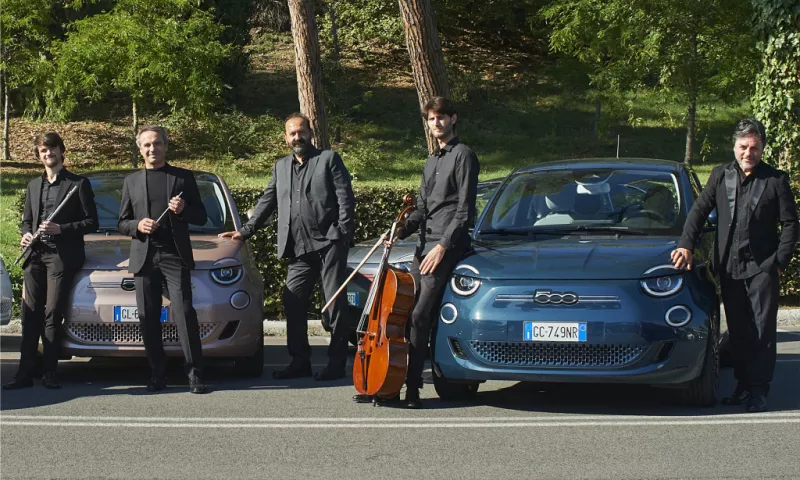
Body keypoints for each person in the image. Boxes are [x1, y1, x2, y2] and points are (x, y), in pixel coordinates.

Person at [355, 97, 479, 408]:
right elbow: (421, 209)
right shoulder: (431, 160)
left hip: (445, 246)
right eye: (431, 119)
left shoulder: (464, 156)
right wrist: (397, 232)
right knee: (403, 315)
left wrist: (442, 246)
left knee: (420, 316)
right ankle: (389, 385)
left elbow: (464, 212)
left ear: (453, 119)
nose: (436, 123)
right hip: (423, 246)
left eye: (441, 117)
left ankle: (413, 389)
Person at [671, 118, 798, 413]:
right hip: (729, 267)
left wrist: (779, 262)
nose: (748, 153)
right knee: (739, 331)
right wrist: (685, 244)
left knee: (762, 332)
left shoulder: (775, 181)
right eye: (743, 147)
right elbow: (699, 210)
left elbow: (790, 224)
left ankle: (758, 391)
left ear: (762, 147)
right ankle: (742, 386)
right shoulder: (720, 175)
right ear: (734, 146)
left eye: (754, 147)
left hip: (762, 268)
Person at [219, 113, 355, 381]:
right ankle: (299, 361)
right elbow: (267, 201)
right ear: (285, 138)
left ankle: (336, 363)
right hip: (299, 248)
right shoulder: (280, 167)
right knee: (292, 301)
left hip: (329, 244)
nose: (297, 137)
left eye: (301, 132)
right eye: (292, 133)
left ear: (310, 133)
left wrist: (342, 234)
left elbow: (345, 199)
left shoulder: (328, 160)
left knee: (334, 304)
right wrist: (244, 232)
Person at [3, 132, 98, 390]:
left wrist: (61, 229)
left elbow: (92, 222)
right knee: (30, 314)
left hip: (61, 255)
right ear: (39, 155)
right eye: (43, 151)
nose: (48, 154)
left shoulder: (78, 184)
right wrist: (25, 234)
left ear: (61, 151)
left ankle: (49, 372)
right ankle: (23, 374)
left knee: (52, 313)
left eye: (52, 149)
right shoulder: (34, 185)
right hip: (35, 254)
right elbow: (27, 220)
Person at [118, 126, 208, 394]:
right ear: (140, 149)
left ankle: (194, 373)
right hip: (143, 257)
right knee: (148, 318)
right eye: (146, 145)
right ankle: (158, 374)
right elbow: (121, 222)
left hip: (173, 256)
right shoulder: (131, 181)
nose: (152, 149)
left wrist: (182, 211)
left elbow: (201, 216)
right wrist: (137, 225)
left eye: (156, 143)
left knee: (184, 314)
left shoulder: (182, 177)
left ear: (165, 146)